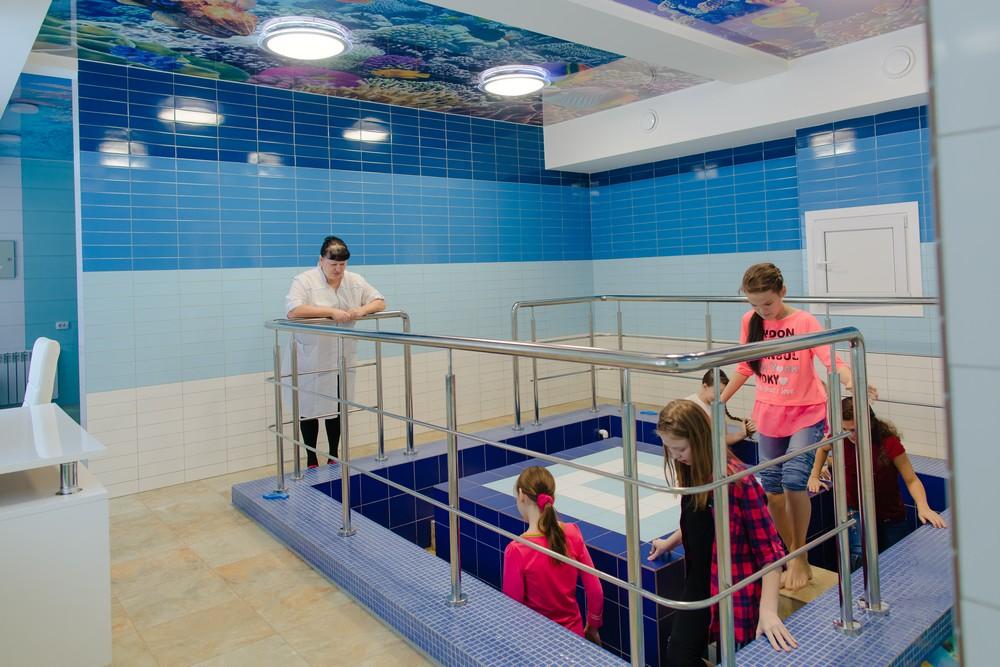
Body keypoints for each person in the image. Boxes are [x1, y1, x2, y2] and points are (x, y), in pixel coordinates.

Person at [717, 263, 876, 591]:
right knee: (772, 489)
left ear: (783, 292)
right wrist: (719, 400)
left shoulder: (804, 322)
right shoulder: (750, 321)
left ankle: (800, 555)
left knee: (793, 481)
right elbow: (746, 365)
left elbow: (832, 360)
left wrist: (851, 381)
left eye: (768, 303)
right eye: (755, 304)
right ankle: (792, 552)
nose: (763, 311)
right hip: (769, 415)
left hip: (807, 412)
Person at [648, 400, 796, 663]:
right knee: (678, 657)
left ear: (700, 439)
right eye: (670, 449)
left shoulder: (738, 481)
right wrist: (670, 542)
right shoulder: (692, 470)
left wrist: (768, 610)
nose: (676, 456)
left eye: (680, 449)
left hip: (733, 588)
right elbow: (702, 520)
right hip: (699, 583)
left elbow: (770, 550)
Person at [808, 398, 947, 568]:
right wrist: (814, 475)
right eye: (845, 429)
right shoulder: (840, 437)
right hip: (857, 511)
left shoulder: (889, 443)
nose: (850, 435)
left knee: (898, 562)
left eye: (854, 430)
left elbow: (911, 480)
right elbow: (823, 448)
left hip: (890, 515)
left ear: (869, 423)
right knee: (859, 559)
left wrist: (923, 506)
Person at [285, 236, 385, 468]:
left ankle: (333, 454)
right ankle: (311, 458)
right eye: (333, 264)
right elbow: (293, 310)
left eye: (342, 264)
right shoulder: (304, 280)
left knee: (338, 406)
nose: (338, 269)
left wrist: (361, 310)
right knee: (308, 407)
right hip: (312, 356)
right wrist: (330, 312)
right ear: (321, 260)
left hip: (342, 355)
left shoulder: (354, 280)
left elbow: (379, 301)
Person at [502, 466, 603, 643]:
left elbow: (512, 611)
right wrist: (593, 625)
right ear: (552, 497)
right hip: (574, 636)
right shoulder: (572, 533)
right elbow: (595, 590)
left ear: (521, 495)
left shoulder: (517, 550)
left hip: (535, 643)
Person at [684, 369, 756, 446]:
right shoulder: (688, 406)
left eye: (723, 394)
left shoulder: (718, 407)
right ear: (705, 386)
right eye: (717, 393)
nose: (721, 398)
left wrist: (743, 433)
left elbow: (722, 440)